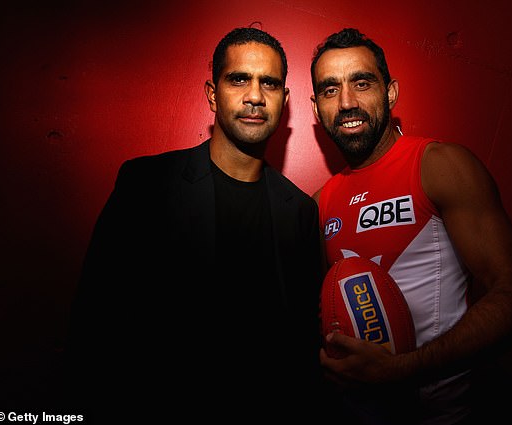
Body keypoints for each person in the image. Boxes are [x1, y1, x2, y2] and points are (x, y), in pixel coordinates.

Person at [63, 27, 323, 424]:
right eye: (239, 79)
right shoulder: (146, 184)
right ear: (212, 93)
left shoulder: (300, 211)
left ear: (285, 101)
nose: (255, 95)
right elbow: (93, 326)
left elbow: (302, 348)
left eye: (269, 83)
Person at [310, 28, 512, 425]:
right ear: (316, 110)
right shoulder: (320, 202)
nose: (347, 102)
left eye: (361, 83)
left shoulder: (439, 164)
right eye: (330, 90)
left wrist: (403, 370)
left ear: (391, 93)